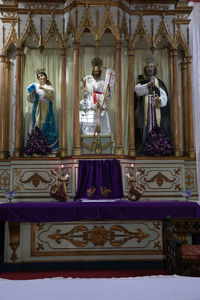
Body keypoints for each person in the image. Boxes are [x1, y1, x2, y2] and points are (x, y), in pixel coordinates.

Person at [134, 62, 172, 156]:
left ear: (155, 69)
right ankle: (145, 149)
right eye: (148, 67)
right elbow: (137, 91)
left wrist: (160, 100)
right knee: (144, 131)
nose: (150, 69)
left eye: (151, 67)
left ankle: (159, 149)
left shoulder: (160, 83)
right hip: (144, 115)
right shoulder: (142, 83)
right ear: (145, 69)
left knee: (159, 129)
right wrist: (148, 85)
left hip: (158, 113)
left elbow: (165, 98)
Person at [79, 58, 114, 135]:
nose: (96, 72)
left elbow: (107, 95)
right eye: (94, 71)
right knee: (91, 119)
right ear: (92, 72)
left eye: (97, 71)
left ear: (100, 72)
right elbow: (85, 93)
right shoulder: (89, 80)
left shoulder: (103, 82)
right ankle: (89, 134)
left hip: (101, 102)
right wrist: (84, 86)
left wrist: (108, 89)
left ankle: (103, 134)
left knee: (102, 119)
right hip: (91, 101)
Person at [26, 70, 59, 152]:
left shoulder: (49, 87)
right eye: (39, 76)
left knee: (47, 124)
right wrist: (32, 93)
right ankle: (37, 146)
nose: (41, 77)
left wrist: (43, 88)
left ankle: (47, 146)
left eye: (42, 75)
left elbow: (51, 96)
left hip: (46, 108)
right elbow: (31, 100)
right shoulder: (36, 87)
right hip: (37, 108)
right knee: (38, 124)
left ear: (45, 76)